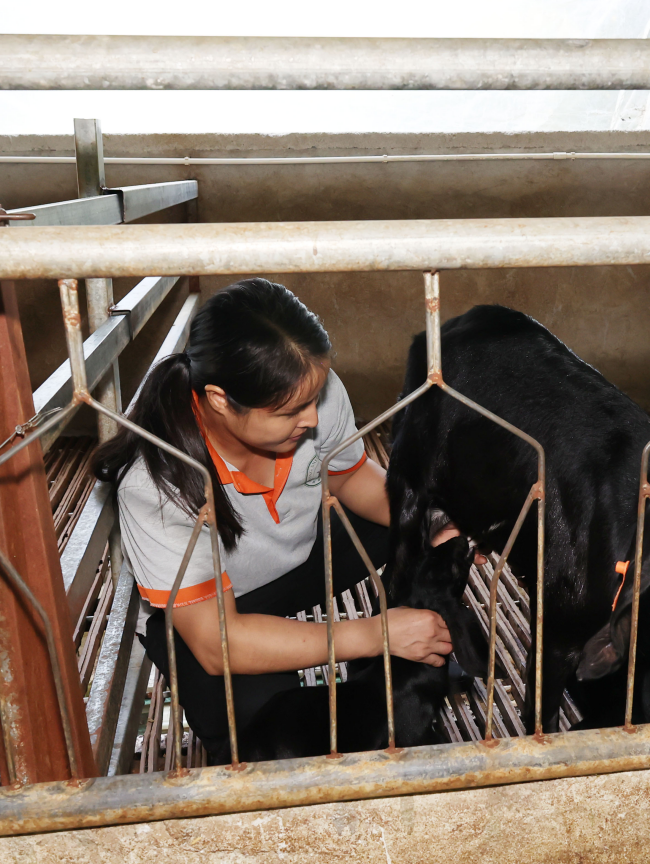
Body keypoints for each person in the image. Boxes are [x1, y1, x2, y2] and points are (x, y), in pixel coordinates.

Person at [93, 278, 452, 759]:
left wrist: (433, 522)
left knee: (422, 529)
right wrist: (372, 635)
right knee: (265, 729)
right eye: (290, 411)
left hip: (304, 555)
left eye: (314, 397)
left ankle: (424, 647)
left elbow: (350, 479)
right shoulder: (155, 486)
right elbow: (219, 641)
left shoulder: (313, 393)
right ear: (220, 399)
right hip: (219, 610)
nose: (312, 418)